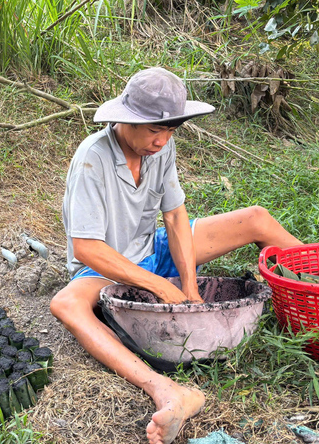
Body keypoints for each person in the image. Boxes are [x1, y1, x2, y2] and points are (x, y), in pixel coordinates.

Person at [50, 67, 302, 444]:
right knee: (66, 305)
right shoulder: (93, 159)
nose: (162, 140)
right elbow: (86, 247)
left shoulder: (160, 149)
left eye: (170, 130)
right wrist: (158, 287)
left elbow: (175, 215)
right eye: (155, 130)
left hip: (152, 249)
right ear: (127, 121)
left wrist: (188, 286)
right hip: (106, 266)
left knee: (257, 219)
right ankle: (166, 389)